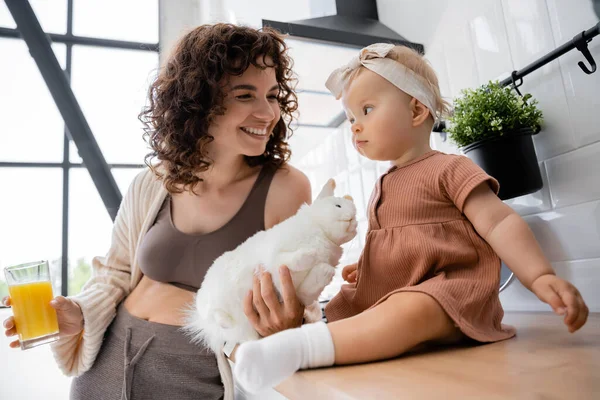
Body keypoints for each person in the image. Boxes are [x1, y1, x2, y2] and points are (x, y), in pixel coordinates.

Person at [232, 43, 590, 393]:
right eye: (352, 117)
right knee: (360, 303)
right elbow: (402, 244)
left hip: (450, 296)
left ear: (417, 111)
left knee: (416, 307)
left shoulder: (449, 168)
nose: (355, 126)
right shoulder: (382, 185)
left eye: (367, 110)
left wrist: (539, 275)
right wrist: (373, 266)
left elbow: (499, 223)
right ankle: (307, 341)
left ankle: (301, 350)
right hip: (398, 296)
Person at [2, 23, 314, 400]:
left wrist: (291, 325)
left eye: (273, 95)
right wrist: (79, 313)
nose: (268, 112)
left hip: (193, 377)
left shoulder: (285, 188)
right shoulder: (154, 182)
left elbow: (300, 304)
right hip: (106, 365)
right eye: (245, 95)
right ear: (199, 100)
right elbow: (116, 272)